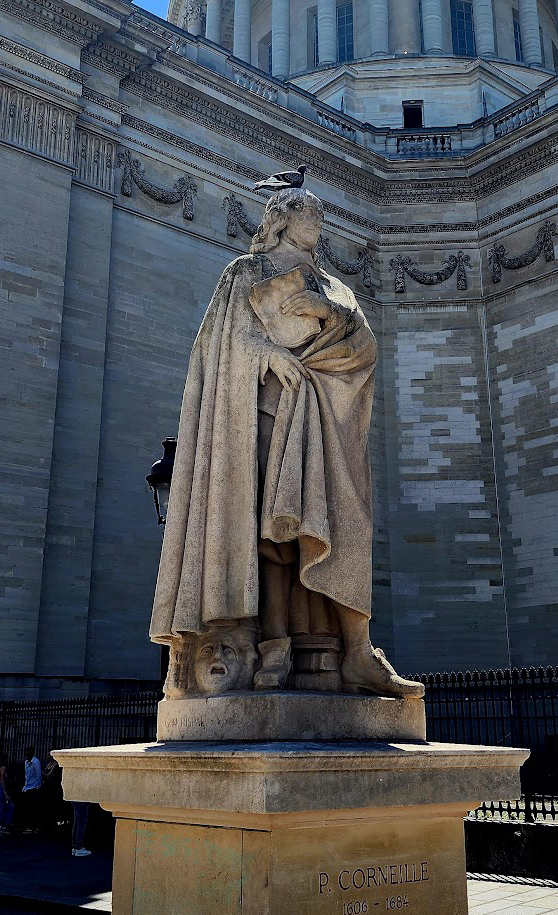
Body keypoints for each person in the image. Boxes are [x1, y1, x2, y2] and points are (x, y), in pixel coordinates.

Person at [151, 183, 422, 700]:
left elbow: (362, 345)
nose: (318, 225)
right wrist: (264, 355)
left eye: (321, 217)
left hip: (323, 418)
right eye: (309, 215)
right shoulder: (245, 273)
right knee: (272, 535)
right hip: (261, 413)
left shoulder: (332, 285)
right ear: (281, 218)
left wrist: (326, 313)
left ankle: (357, 651)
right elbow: (219, 345)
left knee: (342, 527)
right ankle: (274, 647)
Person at [19, 745, 42, 832]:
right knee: (27, 808)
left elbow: (38, 775)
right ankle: (28, 826)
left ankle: (33, 826)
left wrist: (38, 787)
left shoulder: (36, 762)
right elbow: (26, 775)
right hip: (27, 787)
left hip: (34, 788)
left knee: (33, 809)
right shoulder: (26, 762)